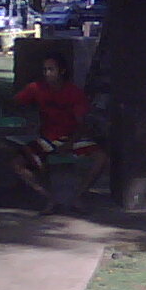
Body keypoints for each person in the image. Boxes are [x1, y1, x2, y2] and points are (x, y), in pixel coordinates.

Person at [12, 54, 108, 213]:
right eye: (45, 70)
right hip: (47, 138)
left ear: (61, 71)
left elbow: (82, 123)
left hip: (72, 137)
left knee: (102, 158)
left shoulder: (74, 92)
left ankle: (78, 195)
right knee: (18, 163)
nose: (47, 73)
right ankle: (49, 196)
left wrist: (69, 143)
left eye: (51, 69)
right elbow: (15, 102)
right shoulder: (36, 88)